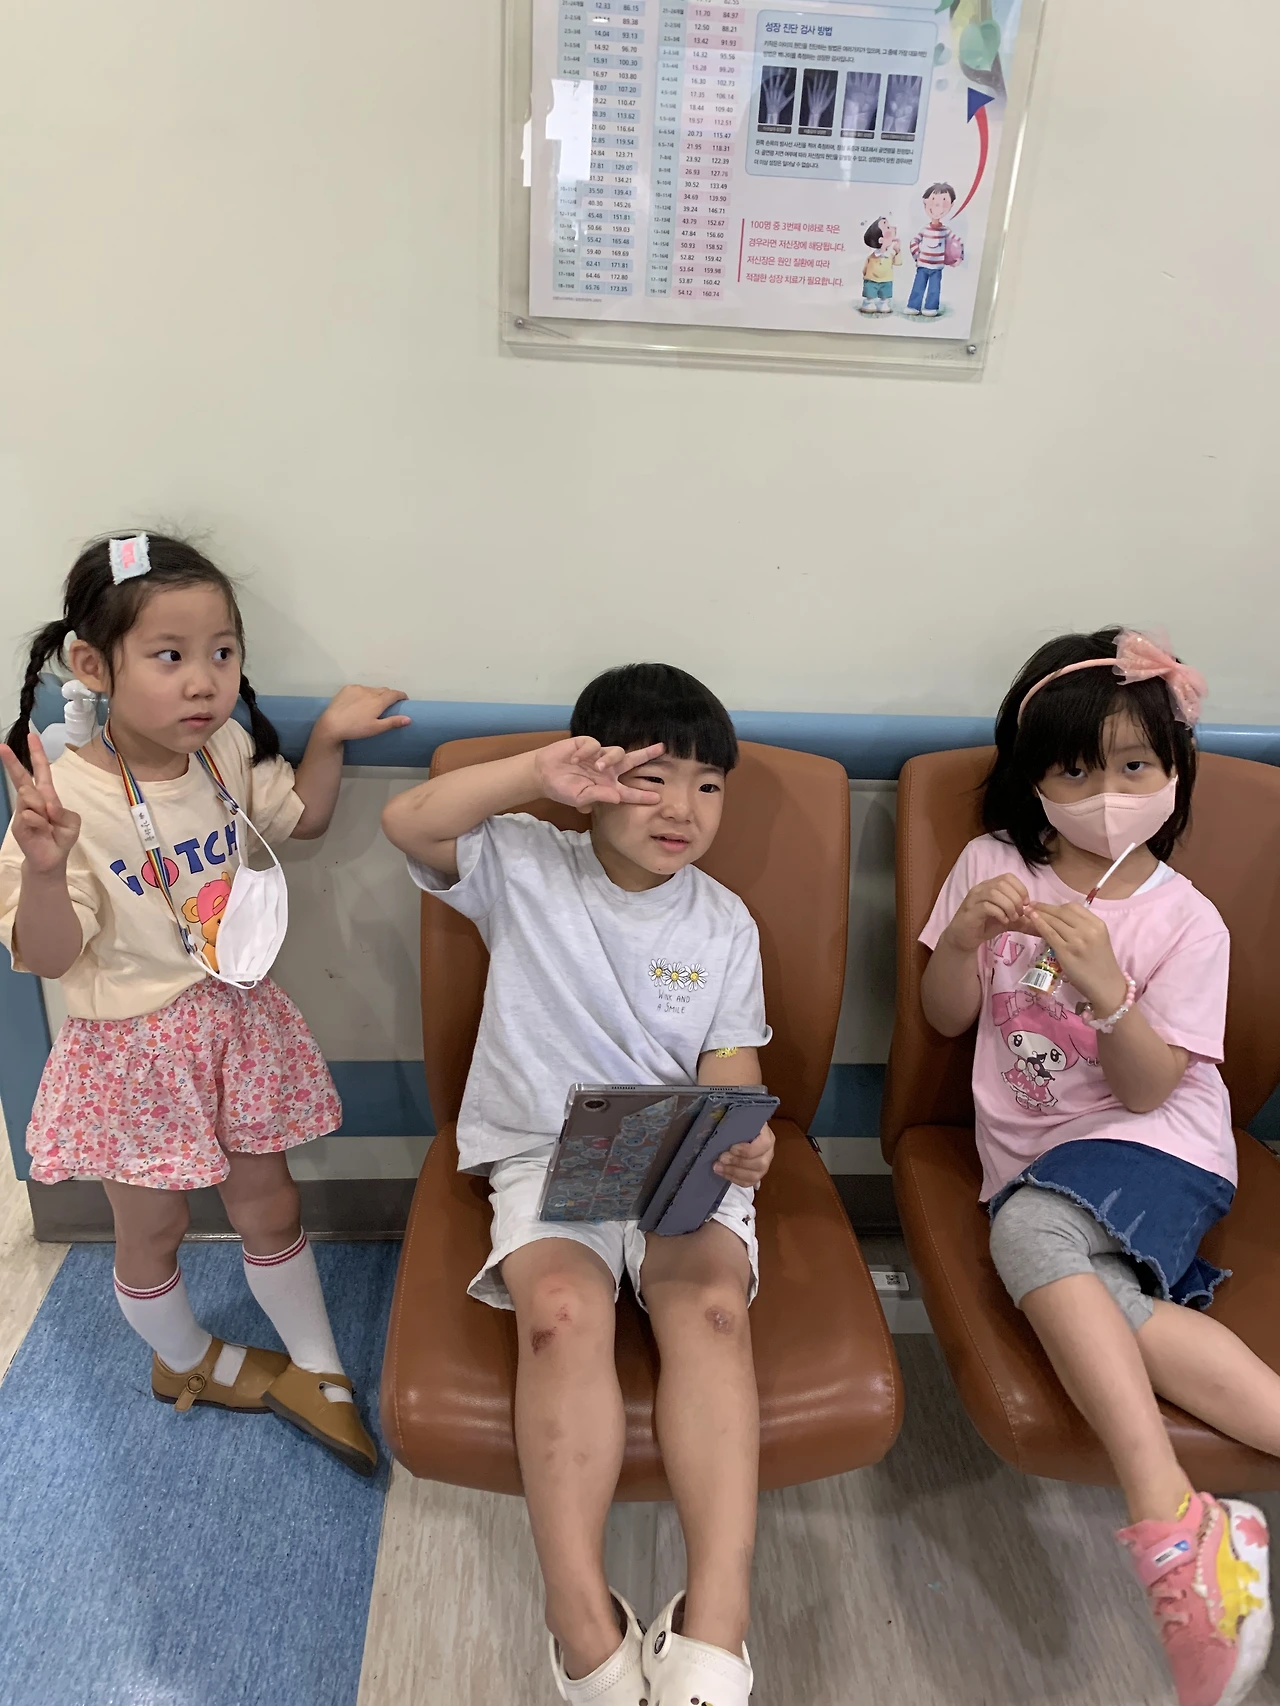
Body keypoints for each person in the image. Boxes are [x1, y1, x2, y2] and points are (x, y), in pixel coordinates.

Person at [382, 663, 773, 1706]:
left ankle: (719, 1613)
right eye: (652, 778)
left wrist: (745, 1135)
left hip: (680, 1151)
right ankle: (576, 1611)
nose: (683, 808)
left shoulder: (722, 924)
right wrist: (534, 775)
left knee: (712, 1313)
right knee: (559, 1315)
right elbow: (407, 821)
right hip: (547, 1150)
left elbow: (732, 1061)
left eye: (707, 785)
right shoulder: (524, 861)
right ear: (593, 778)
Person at [0, 532, 411, 1476]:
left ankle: (318, 1366)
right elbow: (46, 956)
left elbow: (300, 818)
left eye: (222, 652)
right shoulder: (67, 802)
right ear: (92, 666)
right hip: (130, 1053)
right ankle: (182, 1358)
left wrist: (330, 738)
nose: (204, 681)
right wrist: (50, 868)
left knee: (270, 1201)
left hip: (234, 1023)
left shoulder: (223, 750)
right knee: (155, 1227)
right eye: (169, 655)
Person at [920, 627, 1274, 1706]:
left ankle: (1171, 1522)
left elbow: (1150, 1088)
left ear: (1173, 771)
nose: (1107, 794)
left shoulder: (1186, 920)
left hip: (1160, 1139)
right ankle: (1221, 1539)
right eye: (1075, 769)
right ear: (1033, 774)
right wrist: (960, 942)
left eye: (1133, 765)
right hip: (1030, 1155)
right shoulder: (993, 863)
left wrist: (1108, 989)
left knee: (1030, 1232)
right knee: (1102, 1297)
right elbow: (945, 1018)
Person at [905, 181, 962, 317]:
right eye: (933, 201)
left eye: (944, 202)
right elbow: (914, 241)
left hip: (937, 267)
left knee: (934, 289)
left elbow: (956, 242)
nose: (938, 206)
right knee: (918, 287)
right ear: (925, 202)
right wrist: (917, 256)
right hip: (922, 265)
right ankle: (913, 306)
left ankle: (931, 307)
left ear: (951, 205)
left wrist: (958, 257)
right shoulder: (925, 229)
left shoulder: (945, 231)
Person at [860, 215, 902, 315]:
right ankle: (869, 302)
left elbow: (898, 262)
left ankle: (883, 303)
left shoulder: (890, 255)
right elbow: (866, 267)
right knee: (870, 290)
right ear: (880, 240)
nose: (893, 228)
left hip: (886, 279)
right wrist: (865, 274)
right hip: (871, 279)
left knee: (885, 292)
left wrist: (897, 251)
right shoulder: (873, 256)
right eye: (887, 227)